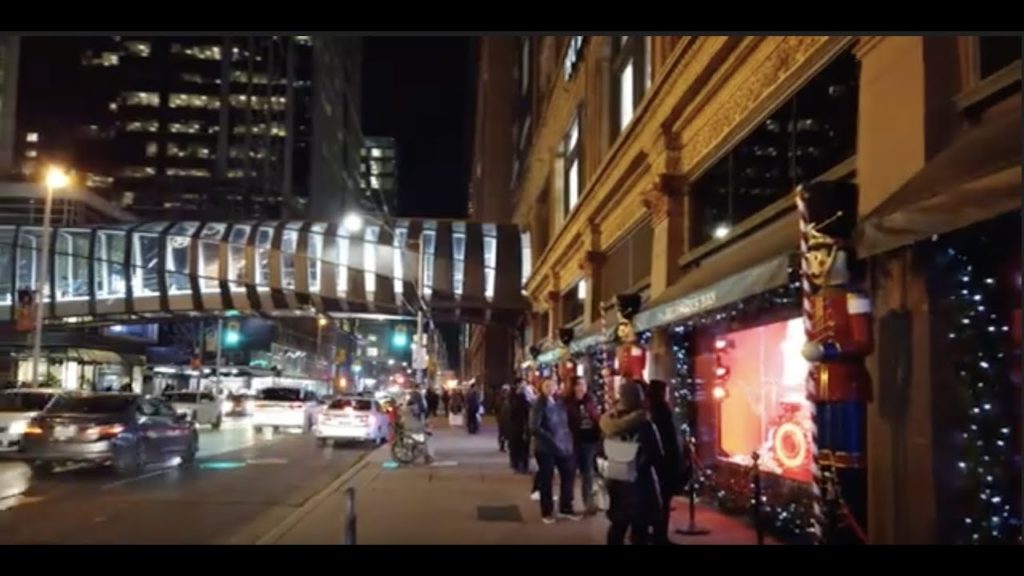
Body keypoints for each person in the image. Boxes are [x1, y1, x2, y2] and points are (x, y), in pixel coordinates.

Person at [599, 379, 664, 545]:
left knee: (618, 526)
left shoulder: (609, 422)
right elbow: (656, 455)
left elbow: (601, 450)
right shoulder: (644, 423)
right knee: (640, 529)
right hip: (640, 483)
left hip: (616, 480)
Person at [530, 378, 580, 524]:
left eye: (552, 385)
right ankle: (547, 512)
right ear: (541, 388)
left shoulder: (559, 402)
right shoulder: (539, 404)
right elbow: (534, 427)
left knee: (568, 475)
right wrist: (551, 440)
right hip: (546, 448)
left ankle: (566, 507)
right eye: (546, 386)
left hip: (563, 445)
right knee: (547, 479)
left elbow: (565, 422)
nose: (550, 388)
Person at [646, 379, 685, 545]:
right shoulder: (662, 412)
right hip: (666, 464)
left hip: (656, 464)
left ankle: (655, 534)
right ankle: (660, 537)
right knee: (663, 502)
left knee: (656, 502)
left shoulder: (648, 411)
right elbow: (668, 441)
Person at [564, 376, 602, 515]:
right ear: (573, 387)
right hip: (573, 442)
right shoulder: (567, 403)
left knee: (588, 474)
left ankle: (588, 502)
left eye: (583, 385)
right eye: (578, 385)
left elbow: (596, 418)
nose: (581, 388)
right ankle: (567, 503)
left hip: (589, 441)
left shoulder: (590, 401)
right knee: (570, 473)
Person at [507, 380, 532, 473]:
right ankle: (520, 465)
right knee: (520, 447)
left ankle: (520, 465)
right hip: (519, 427)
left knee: (520, 447)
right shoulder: (516, 398)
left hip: (519, 427)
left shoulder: (515, 398)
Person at [497, 385, 512, 453]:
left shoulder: (504, 399)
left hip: (503, 418)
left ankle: (504, 445)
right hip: (503, 419)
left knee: (504, 433)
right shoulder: (504, 399)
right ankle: (502, 445)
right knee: (503, 433)